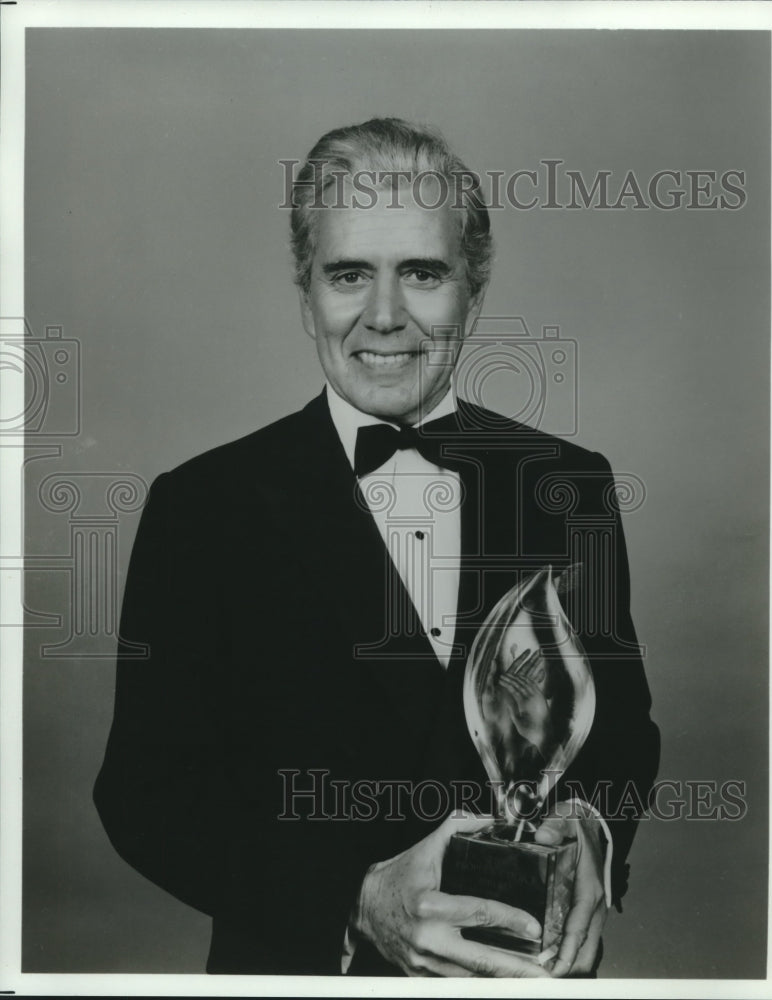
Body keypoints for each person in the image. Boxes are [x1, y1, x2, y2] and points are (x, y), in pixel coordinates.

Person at [94, 117, 660, 977]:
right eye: (350, 273)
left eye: (423, 274)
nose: (385, 316)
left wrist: (591, 832)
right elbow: (145, 797)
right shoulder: (200, 509)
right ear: (306, 290)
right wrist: (353, 899)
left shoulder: (569, 483)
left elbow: (620, 730)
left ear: (473, 286)